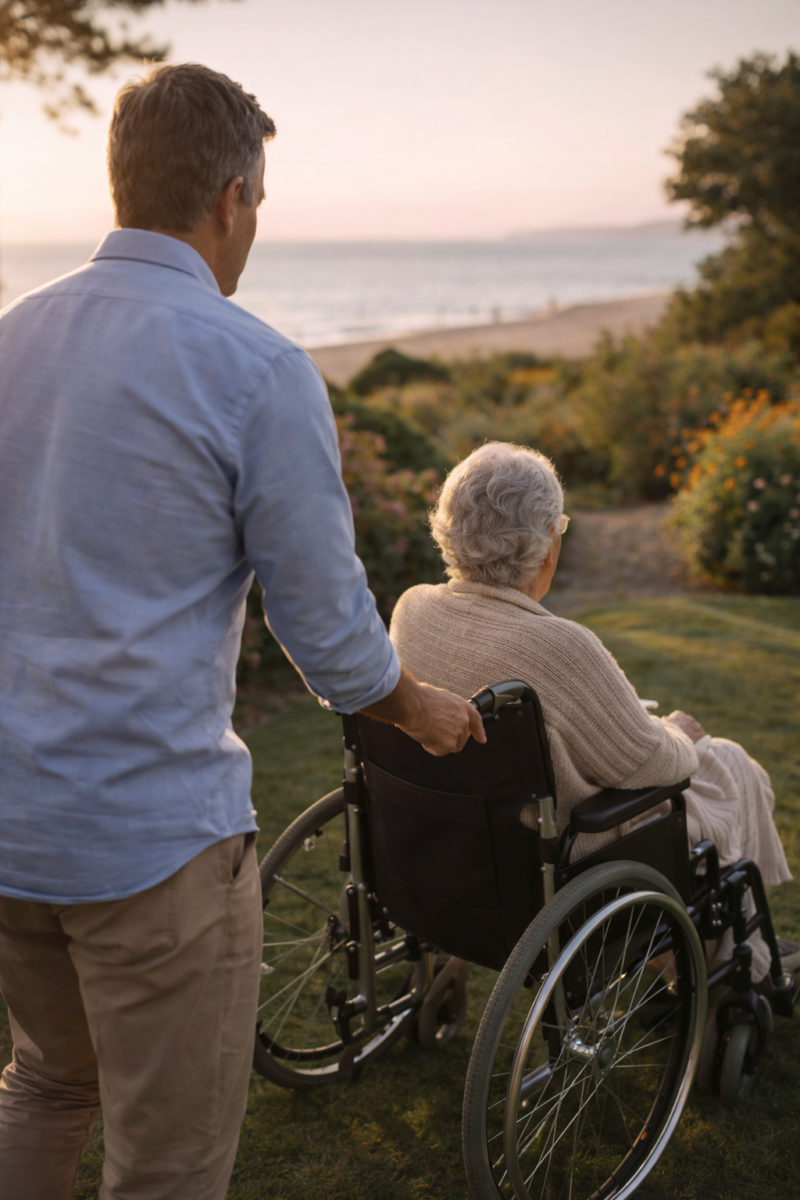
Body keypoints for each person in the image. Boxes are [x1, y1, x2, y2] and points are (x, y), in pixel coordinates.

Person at [0, 63, 484, 1200]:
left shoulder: (11, 337)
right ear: (229, 199)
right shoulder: (254, 367)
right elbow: (329, 636)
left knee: (46, 1086)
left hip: (12, 822)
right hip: (151, 846)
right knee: (167, 1163)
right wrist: (423, 712)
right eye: (256, 205)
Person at [390, 441, 798, 988]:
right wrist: (680, 733)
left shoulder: (412, 608)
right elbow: (653, 764)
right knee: (726, 762)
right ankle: (730, 960)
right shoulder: (559, 647)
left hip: (441, 843)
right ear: (548, 546)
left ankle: (699, 954)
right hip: (550, 863)